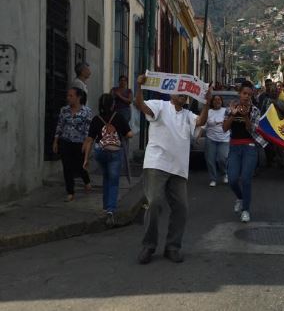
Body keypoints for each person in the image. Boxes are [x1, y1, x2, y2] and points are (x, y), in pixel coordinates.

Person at [134, 74, 211, 265]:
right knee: (155, 203)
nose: (183, 95)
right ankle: (148, 246)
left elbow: (200, 122)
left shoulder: (188, 115)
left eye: (186, 94)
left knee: (182, 208)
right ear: (171, 95)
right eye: (180, 92)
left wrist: (207, 103)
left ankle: (173, 246)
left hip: (179, 168)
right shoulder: (159, 106)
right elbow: (141, 105)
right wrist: (139, 88)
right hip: (157, 163)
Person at [83, 94, 133, 226]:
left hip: (100, 152)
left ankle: (105, 206)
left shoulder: (96, 119)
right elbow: (129, 134)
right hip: (115, 153)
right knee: (113, 182)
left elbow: (89, 140)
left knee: (106, 177)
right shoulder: (118, 117)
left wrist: (86, 159)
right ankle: (110, 210)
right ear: (112, 105)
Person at [223, 81, 268, 223]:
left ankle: (246, 210)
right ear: (239, 94)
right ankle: (240, 197)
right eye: (244, 93)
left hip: (250, 146)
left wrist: (245, 116)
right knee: (232, 179)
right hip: (234, 146)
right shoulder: (230, 108)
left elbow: (253, 129)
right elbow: (224, 128)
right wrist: (232, 114)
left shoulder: (255, 110)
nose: (247, 96)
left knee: (246, 179)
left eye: (249, 94)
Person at [53, 87, 92, 202]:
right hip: (65, 141)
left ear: (78, 97)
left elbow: (88, 129)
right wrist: (56, 141)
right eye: (68, 96)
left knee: (80, 166)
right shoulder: (64, 110)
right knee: (67, 167)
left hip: (80, 143)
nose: (68, 98)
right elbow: (59, 126)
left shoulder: (87, 112)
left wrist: (86, 143)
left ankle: (86, 180)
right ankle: (70, 192)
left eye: (71, 96)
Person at [205, 95, 230, 187]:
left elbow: (231, 122)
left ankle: (224, 174)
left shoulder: (226, 111)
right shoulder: (208, 112)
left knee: (222, 159)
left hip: (224, 139)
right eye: (215, 100)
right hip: (210, 138)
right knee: (210, 160)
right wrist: (198, 137)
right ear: (212, 102)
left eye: (219, 99)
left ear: (221, 101)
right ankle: (213, 179)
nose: (217, 101)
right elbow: (204, 125)